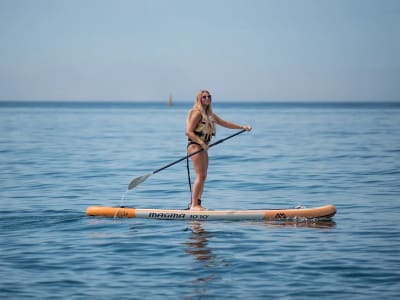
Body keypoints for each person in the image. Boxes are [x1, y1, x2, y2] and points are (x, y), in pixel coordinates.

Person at [186, 90, 252, 211]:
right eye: (204, 97)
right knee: (200, 176)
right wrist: (201, 143)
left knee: (203, 176)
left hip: (203, 147)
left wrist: (242, 127)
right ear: (199, 99)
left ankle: (198, 203)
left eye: (209, 96)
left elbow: (224, 123)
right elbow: (188, 131)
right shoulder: (197, 113)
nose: (207, 98)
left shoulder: (209, 114)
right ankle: (194, 206)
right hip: (195, 145)